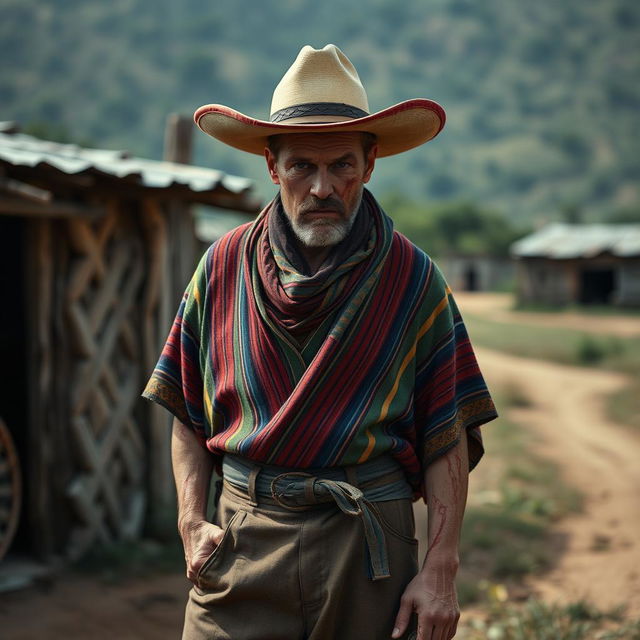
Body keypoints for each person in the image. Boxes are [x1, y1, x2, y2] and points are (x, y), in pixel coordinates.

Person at [143, 44, 497, 640]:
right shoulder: (223, 267)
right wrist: (190, 520)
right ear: (272, 166)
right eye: (303, 166)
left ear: (371, 162)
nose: (322, 187)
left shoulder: (412, 280)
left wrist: (441, 569)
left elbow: (447, 435)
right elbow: (186, 407)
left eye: (342, 166)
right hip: (241, 538)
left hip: (367, 544)